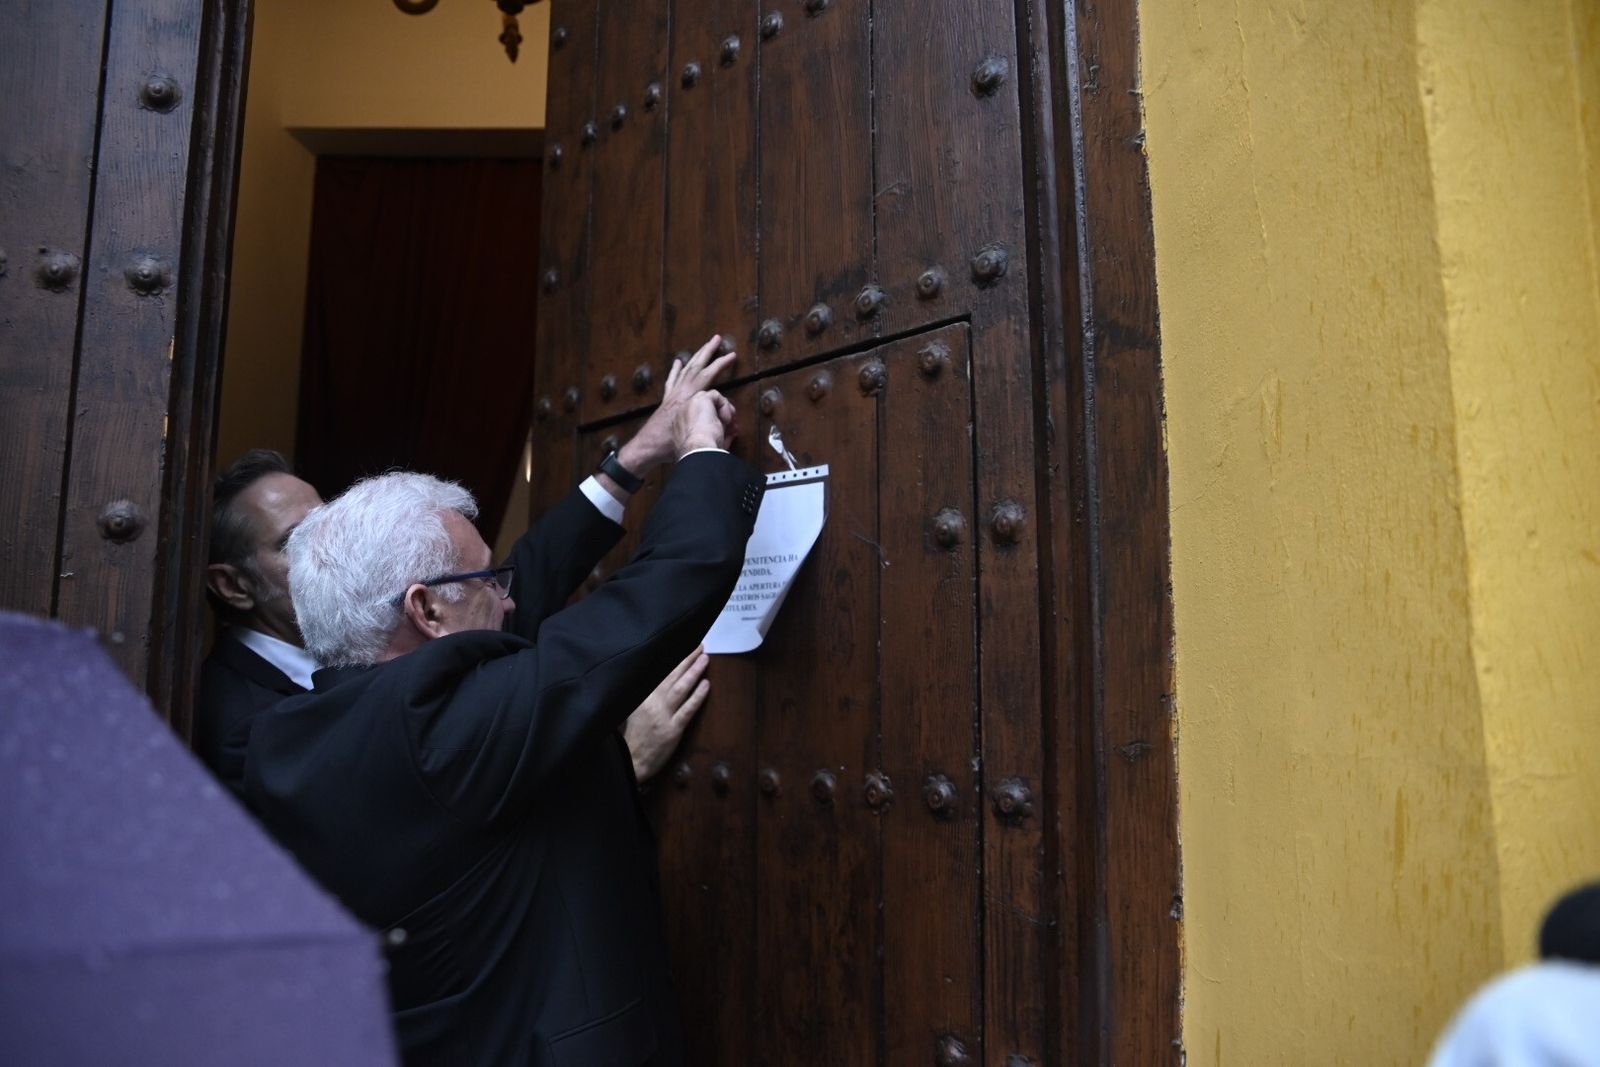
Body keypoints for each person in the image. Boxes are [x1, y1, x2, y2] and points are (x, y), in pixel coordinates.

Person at [242, 338, 759, 1067]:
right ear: (426, 609)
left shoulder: (287, 736)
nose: (511, 597)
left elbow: (521, 588)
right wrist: (703, 451)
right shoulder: (442, 731)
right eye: (487, 578)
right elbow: (665, 587)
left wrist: (630, 463)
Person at [196, 450, 323, 791]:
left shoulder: (367, 648)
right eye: (297, 541)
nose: (331, 548)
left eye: (329, 526)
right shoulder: (242, 725)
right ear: (233, 586)